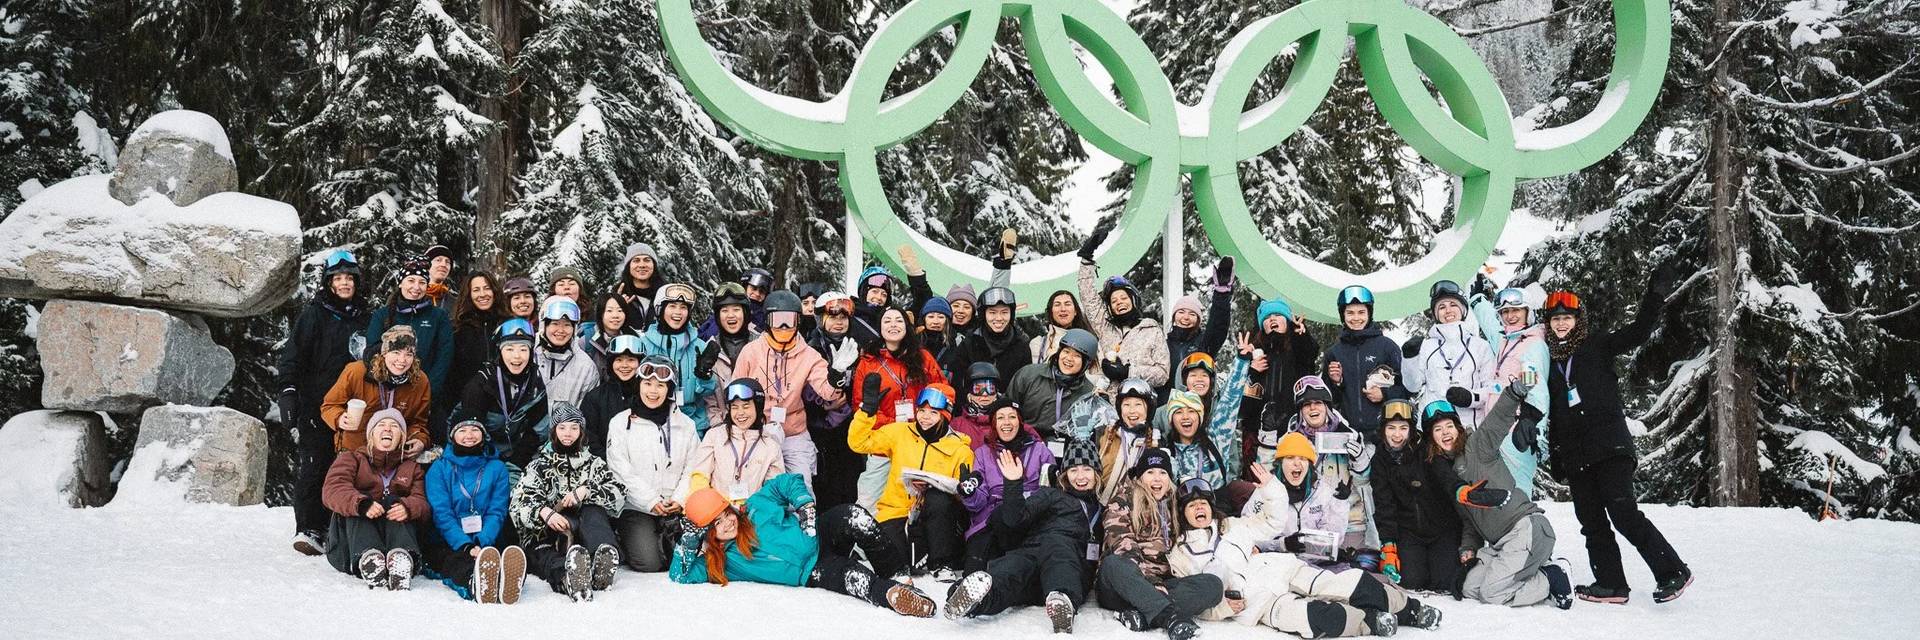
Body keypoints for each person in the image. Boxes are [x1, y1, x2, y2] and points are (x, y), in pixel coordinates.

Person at [1542, 281, 1693, 604]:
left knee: (1623, 513)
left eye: (1567, 317)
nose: (1561, 324)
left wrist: (1655, 294)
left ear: (1578, 319)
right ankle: (1611, 583)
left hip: (1609, 446)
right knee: (1591, 521)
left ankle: (1673, 571)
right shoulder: (1548, 361)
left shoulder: (1597, 345)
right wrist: (1557, 457)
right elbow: (1555, 412)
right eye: (1555, 320)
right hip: (1576, 454)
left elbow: (1638, 332)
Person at [1168, 476, 1442, 638]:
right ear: (1183, 514)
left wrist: (1270, 486)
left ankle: (1410, 609)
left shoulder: (1234, 526)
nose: (1199, 509)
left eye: (1203, 503)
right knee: (1313, 619)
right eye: (1192, 506)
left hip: (1282, 570)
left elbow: (1273, 520)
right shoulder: (1180, 554)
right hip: (1259, 603)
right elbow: (1195, 598)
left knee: (1347, 583)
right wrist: (1225, 608)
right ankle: (1370, 621)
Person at [668, 475, 938, 617]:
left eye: (726, 514)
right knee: (854, 578)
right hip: (813, 570)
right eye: (716, 524)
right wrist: (690, 539)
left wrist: (804, 505)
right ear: (707, 533)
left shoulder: (754, 507)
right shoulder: (723, 564)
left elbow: (786, 482)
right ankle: (894, 595)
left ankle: (897, 575)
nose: (727, 523)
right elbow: (679, 575)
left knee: (854, 516)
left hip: (817, 533)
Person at [1431, 383, 1573, 609]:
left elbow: (1495, 423)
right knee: (1468, 587)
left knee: (1492, 594)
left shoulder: (1477, 446)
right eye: (1437, 430)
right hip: (1499, 546)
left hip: (1525, 529)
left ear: (1458, 428)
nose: (1445, 432)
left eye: (1449, 426)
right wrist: (1468, 549)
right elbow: (1470, 522)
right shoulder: (1451, 480)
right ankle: (1524, 570)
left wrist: (1513, 394)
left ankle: (1551, 576)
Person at [943, 439, 1094, 634]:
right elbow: (1015, 518)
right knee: (1013, 568)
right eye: (1073, 470)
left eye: (1086, 469)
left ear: (1097, 473)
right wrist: (1013, 484)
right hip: (1032, 561)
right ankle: (973, 599)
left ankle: (1061, 603)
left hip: (1067, 570)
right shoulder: (1051, 495)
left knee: (1057, 545)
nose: (1080, 476)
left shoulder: (1102, 509)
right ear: (1064, 475)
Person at [277, 249, 371, 556]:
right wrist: (288, 390)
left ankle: (336, 526)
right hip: (316, 404)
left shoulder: (366, 317)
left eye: (349, 278)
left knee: (347, 467)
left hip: (355, 407)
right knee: (315, 465)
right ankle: (308, 527)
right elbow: (293, 356)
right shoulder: (315, 314)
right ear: (329, 283)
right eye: (338, 279)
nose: (344, 284)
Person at [849, 379, 974, 581]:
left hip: (934, 517)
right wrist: (867, 412)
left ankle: (941, 563)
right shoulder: (900, 432)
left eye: (933, 413)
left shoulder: (960, 449)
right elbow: (859, 443)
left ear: (946, 416)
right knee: (895, 564)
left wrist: (948, 488)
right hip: (896, 511)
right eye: (922, 410)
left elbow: (964, 496)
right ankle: (910, 559)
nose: (925, 417)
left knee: (938, 499)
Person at [1098, 448, 1221, 640]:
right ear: (1139, 478)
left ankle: (1142, 615)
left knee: (1213, 584)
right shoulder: (1121, 502)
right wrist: (1152, 583)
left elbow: (1200, 521)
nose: (1157, 478)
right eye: (1150, 472)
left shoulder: (1174, 504)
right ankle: (1171, 617)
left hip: (1163, 584)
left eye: (1163, 473)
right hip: (1124, 585)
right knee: (1113, 563)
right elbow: (1123, 546)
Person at [509, 403, 624, 601]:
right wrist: (544, 512)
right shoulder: (539, 465)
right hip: (546, 535)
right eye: (562, 427)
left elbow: (619, 496)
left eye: (574, 427)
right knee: (544, 553)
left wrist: (587, 491)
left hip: (583, 534)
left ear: (581, 431)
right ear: (554, 431)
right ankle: (568, 577)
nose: (568, 433)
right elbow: (518, 504)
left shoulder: (594, 464)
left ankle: (600, 565)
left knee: (593, 511)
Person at [731, 290, 847, 481]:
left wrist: (835, 376)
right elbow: (736, 389)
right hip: (758, 429)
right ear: (767, 321)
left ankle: (802, 510)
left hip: (794, 431)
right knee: (759, 484)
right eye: (778, 321)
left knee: (801, 483)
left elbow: (827, 391)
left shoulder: (808, 354)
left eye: (789, 321)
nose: (784, 327)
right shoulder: (751, 352)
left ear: (798, 322)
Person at [605, 356, 700, 573]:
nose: (653, 391)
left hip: (675, 505)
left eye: (660, 385)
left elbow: (694, 467)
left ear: (670, 389)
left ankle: (665, 535)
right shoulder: (621, 422)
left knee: (681, 560)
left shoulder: (685, 425)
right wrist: (650, 500)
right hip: (637, 505)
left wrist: (679, 498)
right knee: (649, 563)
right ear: (639, 385)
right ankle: (627, 537)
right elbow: (619, 469)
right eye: (647, 384)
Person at [321, 409, 428, 591]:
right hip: (350, 545)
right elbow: (333, 489)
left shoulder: (412, 468)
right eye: (381, 425)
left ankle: (400, 561)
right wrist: (362, 504)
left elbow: (422, 502)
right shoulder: (351, 458)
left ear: (401, 438)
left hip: (396, 537)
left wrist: (408, 507)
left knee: (397, 502)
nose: (387, 429)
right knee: (357, 501)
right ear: (370, 436)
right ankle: (370, 560)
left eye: (394, 426)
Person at [849, 304, 945, 506]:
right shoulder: (869, 361)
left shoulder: (923, 357)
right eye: (887, 320)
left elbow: (942, 391)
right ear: (880, 327)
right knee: (869, 500)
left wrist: (924, 419)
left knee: (915, 500)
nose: (893, 325)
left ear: (907, 326)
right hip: (882, 442)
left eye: (899, 320)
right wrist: (894, 425)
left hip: (919, 437)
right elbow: (859, 404)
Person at [422, 418, 525, 603]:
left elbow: (497, 510)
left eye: (474, 430)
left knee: (508, 552)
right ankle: (475, 582)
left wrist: (482, 541)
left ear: (483, 434)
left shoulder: (497, 468)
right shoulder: (439, 469)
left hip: (487, 534)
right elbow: (442, 513)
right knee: (454, 560)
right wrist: (465, 545)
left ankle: (508, 581)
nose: (469, 435)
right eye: (462, 430)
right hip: (450, 538)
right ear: (452, 436)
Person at [1372, 399, 1462, 594]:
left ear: (1411, 429)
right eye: (1391, 428)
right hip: (1409, 531)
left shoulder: (1425, 449)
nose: (1397, 435)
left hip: (1442, 528)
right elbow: (1384, 504)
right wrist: (1388, 545)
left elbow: (1445, 476)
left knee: (1444, 581)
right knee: (1411, 581)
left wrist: (1460, 489)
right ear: (1383, 429)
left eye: (1403, 428)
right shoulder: (1380, 460)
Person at [957, 397, 1054, 571]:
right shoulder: (983, 453)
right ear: (994, 423)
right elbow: (978, 504)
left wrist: (1023, 504)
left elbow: (1049, 492)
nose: (1006, 422)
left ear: (1020, 421)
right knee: (974, 568)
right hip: (990, 521)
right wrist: (969, 492)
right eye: (1000, 418)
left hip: (1028, 517)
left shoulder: (1040, 451)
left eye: (1012, 417)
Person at [1075, 226, 1169, 392]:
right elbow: (1088, 297)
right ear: (1110, 307)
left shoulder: (1151, 330)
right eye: (1114, 301)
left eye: (1124, 298)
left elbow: (1163, 373)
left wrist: (1128, 372)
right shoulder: (1105, 327)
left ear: (1133, 300)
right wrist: (1086, 259)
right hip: (1108, 405)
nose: (1119, 303)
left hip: (1139, 404)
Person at [448, 319, 550, 470]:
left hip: (517, 453)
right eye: (509, 349)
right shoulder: (481, 384)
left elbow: (537, 429)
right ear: (499, 351)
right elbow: (470, 433)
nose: (517, 356)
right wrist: (494, 466)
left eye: (523, 349)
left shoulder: (536, 382)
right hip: (479, 454)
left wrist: (515, 464)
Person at [319, 325, 431, 455]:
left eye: (409, 354)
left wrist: (419, 439)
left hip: (393, 454)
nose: (402, 360)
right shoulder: (356, 372)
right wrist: (339, 418)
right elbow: (329, 405)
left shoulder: (420, 381)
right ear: (384, 353)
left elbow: (419, 422)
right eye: (396, 352)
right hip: (355, 450)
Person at [1402, 280, 1497, 430]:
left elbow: (1492, 389)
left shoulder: (1480, 346)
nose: (1448, 311)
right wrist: (1409, 359)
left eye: (1453, 305)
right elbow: (1413, 386)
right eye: (1441, 307)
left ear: (1463, 310)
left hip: (1469, 428)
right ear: (1435, 314)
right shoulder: (1427, 346)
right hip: (1434, 429)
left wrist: (1471, 398)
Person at [1242, 297, 1320, 475]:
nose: (1272, 319)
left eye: (1278, 315)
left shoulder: (1297, 347)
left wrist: (1302, 335)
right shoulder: (1256, 354)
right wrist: (1251, 371)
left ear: (1287, 321)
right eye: (1268, 318)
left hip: (1294, 427)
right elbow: (1244, 404)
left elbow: (1310, 356)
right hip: (1260, 432)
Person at [679, 379, 787, 505]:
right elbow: (700, 476)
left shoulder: (771, 446)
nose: (740, 413)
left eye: (746, 406)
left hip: (753, 516)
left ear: (758, 407)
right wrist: (711, 511)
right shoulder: (715, 436)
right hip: (716, 514)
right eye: (734, 407)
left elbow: (774, 491)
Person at [365, 257, 456, 403]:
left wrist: (428, 388)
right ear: (401, 283)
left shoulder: (438, 316)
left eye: (422, 282)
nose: (416, 287)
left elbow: (445, 354)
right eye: (411, 280)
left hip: (425, 392)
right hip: (387, 391)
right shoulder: (382, 315)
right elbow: (370, 351)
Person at [1324, 285, 1409, 438]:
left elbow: (1407, 388)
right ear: (1343, 315)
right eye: (1350, 313)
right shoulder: (1334, 353)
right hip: (1348, 433)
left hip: (1384, 434)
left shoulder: (1387, 347)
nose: (1356, 318)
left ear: (1369, 313)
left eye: (1361, 312)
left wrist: (1384, 394)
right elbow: (1328, 400)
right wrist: (1337, 382)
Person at [804, 291, 861, 508]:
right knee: (825, 488)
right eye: (833, 317)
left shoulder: (856, 346)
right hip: (820, 429)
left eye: (843, 318)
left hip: (849, 429)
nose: (839, 323)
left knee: (850, 487)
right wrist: (825, 404)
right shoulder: (812, 349)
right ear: (821, 320)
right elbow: (805, 389)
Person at [641, 282, 717, 428]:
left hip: (692, 421)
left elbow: (708, 391)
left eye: (683, 307)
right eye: (672, 306)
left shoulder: (699, 346)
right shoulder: (644, 344)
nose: (678, 312)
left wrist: (704, 376)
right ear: (660, 309)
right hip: (652, 421)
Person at [1176, 338, 1254, 481]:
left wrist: (1242, 361)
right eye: (1193, 375)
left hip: (1215, 493)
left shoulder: (1217, 426)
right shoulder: (1164, 415)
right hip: (1183, 495)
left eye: (1204, 375)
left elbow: (1231, 399)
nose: (1186, 417)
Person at [1008, 327, 1103, 443]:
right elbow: (1006, 409)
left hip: (1065, 450)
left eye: (1077, 356)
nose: (1069, 359)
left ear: (1086, 363)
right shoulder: (1028, 375)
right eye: (1066, 351)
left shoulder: (1087, 393)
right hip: (1025, 444)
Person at [445, 271, 504, 442]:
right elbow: (451, 371)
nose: (482, 294)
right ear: (469, 294)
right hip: (465, 407)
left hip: (499, 409)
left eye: (487, 288)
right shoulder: (457, 328)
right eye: (476, 290)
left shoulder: (505, 323)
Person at [1163, 258, 1237, 394]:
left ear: (1198, 319)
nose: (1185, 317)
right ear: (1174, 317)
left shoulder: (1204, 343)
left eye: (1192, 314)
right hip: (1167, 406)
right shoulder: (1163, 344)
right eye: (1181, 312)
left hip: (1197, 406)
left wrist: (1221, 294)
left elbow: (1218, 326)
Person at [697, 283, 760, 430]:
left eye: (736, 309)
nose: (731, 315)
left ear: (745, 312)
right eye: (724, 310)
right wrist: (721, 427)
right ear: (718, 316)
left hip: (758, 426)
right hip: (722, 426)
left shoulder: (761, 345)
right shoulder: (711, 349)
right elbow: (708, 402)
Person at [579, 335, 643, 458]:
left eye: (631, 360)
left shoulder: (648, 397)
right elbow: (589, 437)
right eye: (619, 360)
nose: (624, 365)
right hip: (606, 466)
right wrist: (610, 463)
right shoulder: (595, 397)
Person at [1098, 379, 1161, 503]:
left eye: (1138, 405)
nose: (1132, 411)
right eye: (1126, 405)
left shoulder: (1155, 442)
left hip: (1137, 508)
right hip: (1102, 502)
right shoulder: (1107, 435)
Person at [532, 295, 601, 409]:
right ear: (544, 325)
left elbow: (587, 412)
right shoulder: (527, 356)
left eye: (567, 325)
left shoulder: (585, 367)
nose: (561, 330)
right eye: (555, 323)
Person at [1159, 390, 1234, 494]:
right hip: (1182, 508)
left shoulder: (1217, 439)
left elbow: (1231, 397)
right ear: (1171, 420)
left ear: (1200, 417)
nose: (1185, 416)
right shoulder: (1166, 454)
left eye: (1191, 411)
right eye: (1178, 412)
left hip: (1218, 507)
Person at [577, 293, 641, 375]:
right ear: (601, 314)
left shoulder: (633, 339)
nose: (615, 315)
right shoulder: (586, 341)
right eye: (609, 311)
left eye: (620, 310)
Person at [610, 242, 663, 328]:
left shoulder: (664, 294)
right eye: (636, 260)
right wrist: (617, 308)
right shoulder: (617, 295)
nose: (642, 265)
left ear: (654, 265)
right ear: (629, 266)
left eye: (647, 260)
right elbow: (605, 329)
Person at [948, 362, 1003, 444]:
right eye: (977, 389)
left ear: (997, 393)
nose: (984, 394)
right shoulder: (956, 425)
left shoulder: (1006, 421)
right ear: (969, 394)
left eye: (990, 389)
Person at [848, 265, 895, 346]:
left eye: (884, 295)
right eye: (874, 291)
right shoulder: (849, 317)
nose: (879, 297)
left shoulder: (889, 322)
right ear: (864, 292)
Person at [423, 244, 459, 311]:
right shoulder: (413, 296)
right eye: (438, 260)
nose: (443, 265)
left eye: (447, 262)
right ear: (427, 265)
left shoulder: (456, 302)